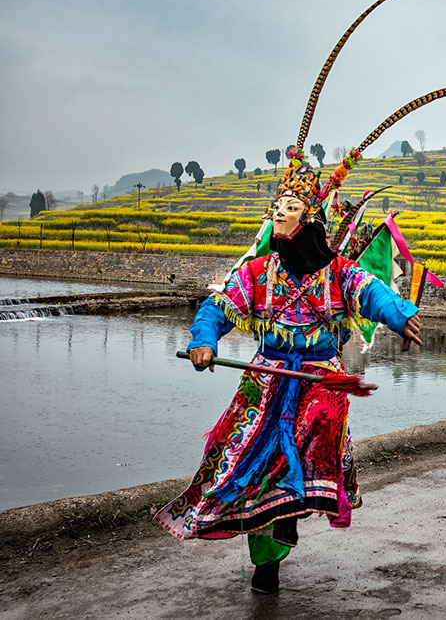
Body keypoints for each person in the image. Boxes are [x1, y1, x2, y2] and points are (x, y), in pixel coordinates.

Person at [154, 150, 422, 594]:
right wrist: (204, 341)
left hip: (319, 380)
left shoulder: (340, 273)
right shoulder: (257, 273)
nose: (278, 214)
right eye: (276, 207)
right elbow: (217, 308)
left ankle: (290, 514)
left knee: (310, 433)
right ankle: (267, 560)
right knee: (248, 465)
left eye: (290, 208)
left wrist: (398, 315)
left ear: (309, 219)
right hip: (265, 380)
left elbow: (374, 294)